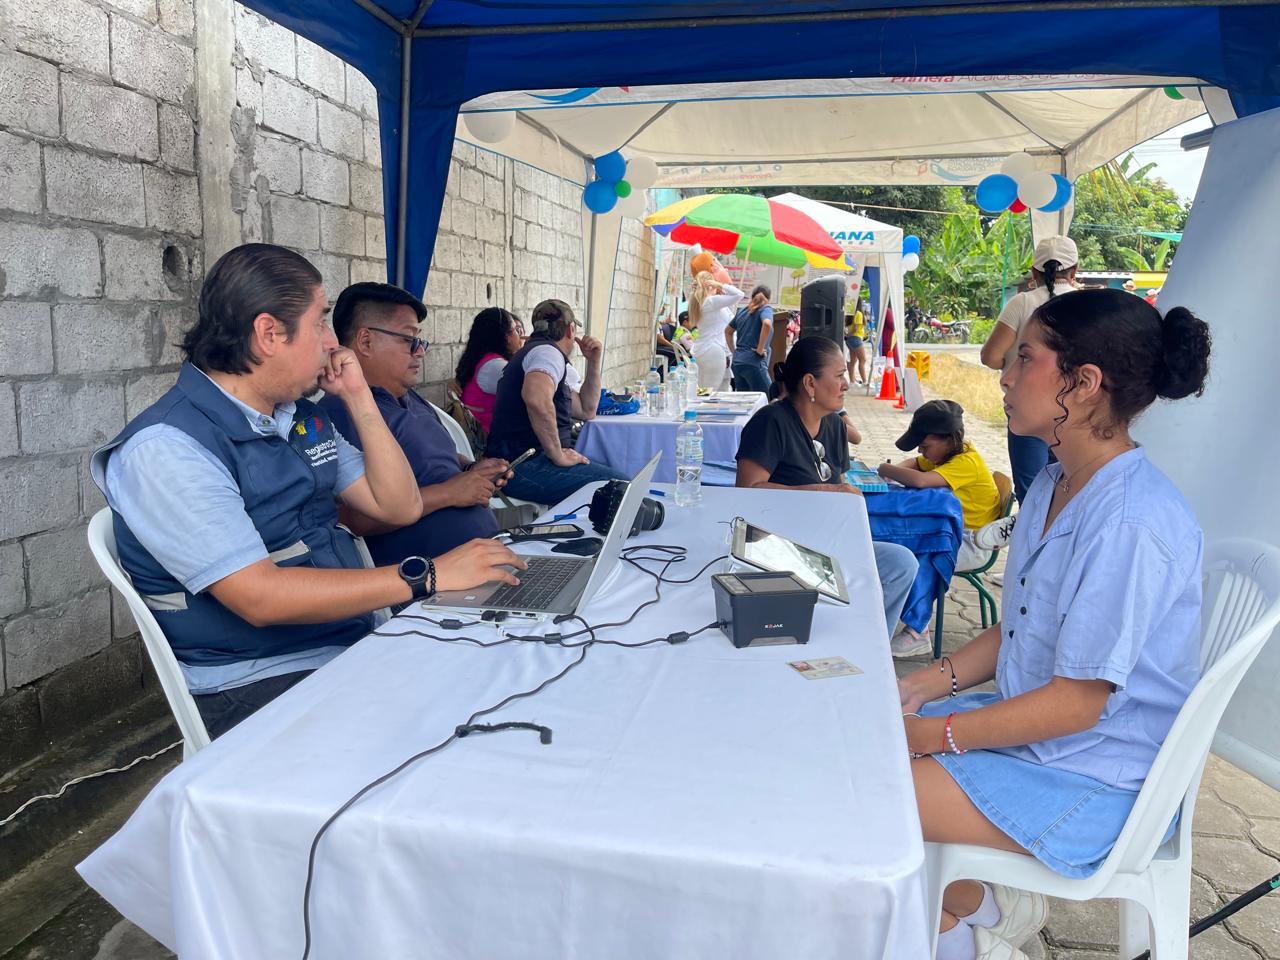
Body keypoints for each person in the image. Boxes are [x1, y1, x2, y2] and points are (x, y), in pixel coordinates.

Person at [92, 244, 523, 738]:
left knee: (505, 671)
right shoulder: (167, 448)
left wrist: (360, 397)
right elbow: (261, 598)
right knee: (466, 726)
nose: (332, 342)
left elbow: (399, 506)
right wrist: (429, 575)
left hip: (347, 641)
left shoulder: (298, 418)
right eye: (319, 322)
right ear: (269, 334)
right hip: (259, 678)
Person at [899, 288, 1211, 960]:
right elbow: (1020, 627)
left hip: (1098, 778)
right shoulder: (1056, 483)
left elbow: (1077, 704)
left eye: (1026, 359)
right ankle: (983, 911)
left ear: (1084, 383)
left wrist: (932, 733)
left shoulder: (1128, 523)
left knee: (872, 795)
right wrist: (922, 684)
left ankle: (967, 934)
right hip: (1048, 744)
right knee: (867, 753)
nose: (1004, 377)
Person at [735, 336, 919, 639]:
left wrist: (849, 507)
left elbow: (838, 484)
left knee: (901, 563)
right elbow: (747, 491)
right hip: (779, 546)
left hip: (825, 540)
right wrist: (823, 492)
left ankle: (870, 645)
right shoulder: (770, 422)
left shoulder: (834, 425)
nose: (846, 384)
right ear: (810, 383)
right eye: (839, 375)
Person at [319, 283, 511, 567]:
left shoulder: (411, 398)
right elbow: (352, 520)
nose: (420, 351)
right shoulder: (343, 412)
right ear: (366, 341)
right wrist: (450, 493)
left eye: (420, 341)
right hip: (428, 577)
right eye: (409, 339)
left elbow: (438, 455)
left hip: (485, 557)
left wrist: (473, 470)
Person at [877, 399, 1002, 657]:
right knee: (909, 543)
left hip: (972, 543)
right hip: (952, 532)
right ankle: (895, 607)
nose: (922, 452)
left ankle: (918, 631)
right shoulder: (944, 454)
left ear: (949, 439)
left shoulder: (966, 462)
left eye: (926, 446)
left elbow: (921, 481)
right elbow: (915, 463)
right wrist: (897, 470)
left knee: (922, 552)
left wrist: (886, 469)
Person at [484, 299, 626, 505]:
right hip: (521, 466)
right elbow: (536, 398)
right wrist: (557, 454)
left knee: (615, 484)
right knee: (623, 488)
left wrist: (593, 362)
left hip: (520, 464)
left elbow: (586, 410)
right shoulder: (547, 353)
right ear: (570, 330)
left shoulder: (537, 352)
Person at [980, 236, 1078, 504]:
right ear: (1074, 271)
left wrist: (1016, 361)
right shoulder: (1087, 304)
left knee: (1031, 492)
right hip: (1072, 408)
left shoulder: (1021, 303)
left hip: (1026, 407)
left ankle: (1032, 531)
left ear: (1034, 272)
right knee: (1070, 487)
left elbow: (990, 357)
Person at [455, 307, 525, 435]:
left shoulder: (483, 359)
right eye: (516, 330)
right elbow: (533, 391)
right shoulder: (495, 366)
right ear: (506, 337)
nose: (521, 335)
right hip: (490, 440)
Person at [687, 252, 743, 391]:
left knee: (716, 390)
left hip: (710, 349)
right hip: (714, 350)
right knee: (710, 391)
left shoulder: (700, 302)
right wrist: (720, 284)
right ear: (709, 285)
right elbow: (739, 294)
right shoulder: (711, 301)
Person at [727, 285, 774, 393]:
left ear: (752, 297)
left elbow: (727, 331)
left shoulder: (742, 311)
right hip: (754, 362)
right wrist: (760, 349)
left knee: (745, 400)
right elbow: (767, 324)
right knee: (769, 397)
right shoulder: (765, 308)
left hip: (737, 363)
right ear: (768, 298)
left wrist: (734, 351)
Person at [844, 300, 869, 385]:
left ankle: (852, 381)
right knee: (862, 360)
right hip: (856, 338)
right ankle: (865, 381)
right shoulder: (859, 313)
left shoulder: (851, 314)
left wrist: (847, 335)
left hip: (850, 339)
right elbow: (856, 328)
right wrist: (849, 334)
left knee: (853, 360)